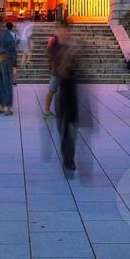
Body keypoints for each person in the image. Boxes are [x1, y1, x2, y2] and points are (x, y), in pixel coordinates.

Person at [51, 21, 80, 172]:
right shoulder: (56, 49)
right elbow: (57, 72)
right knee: (64, 127)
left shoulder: (75, 48)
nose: (63, 34)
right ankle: (68, 157)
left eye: (65, 31)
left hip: (74, 91)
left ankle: (69, 157)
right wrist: (67, 58)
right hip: (62, 92)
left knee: (70, 127)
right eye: (60, 31)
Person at [0, 20, 17, 115]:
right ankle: (1, 105)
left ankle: (7, 106)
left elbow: (12, 48)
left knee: (6, 84)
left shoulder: (7, 35)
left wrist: (3, 51)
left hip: (5, 62)